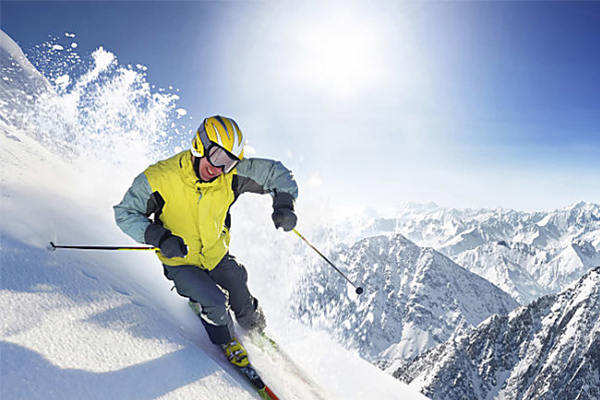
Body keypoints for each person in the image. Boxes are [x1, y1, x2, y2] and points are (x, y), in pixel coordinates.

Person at [113, 115, 298, 368]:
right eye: (217, 156)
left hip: (215, 255)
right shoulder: (160, 178)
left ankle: (255, 328)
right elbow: (125, 213)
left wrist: (284, 204)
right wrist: (159, 237)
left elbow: (276, 172)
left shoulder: (230, 175)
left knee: (240, 289)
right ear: (200, 144)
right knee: (216, 302)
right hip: (180, 261)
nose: (218, 168)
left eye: (229, 162)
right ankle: (226, 340)